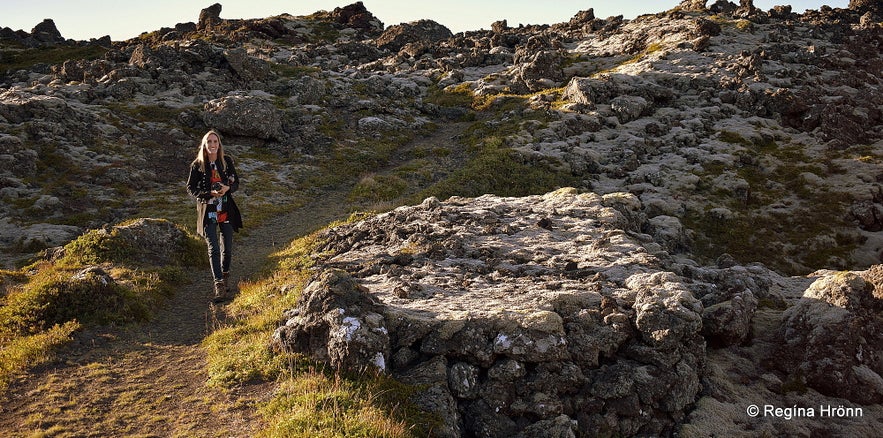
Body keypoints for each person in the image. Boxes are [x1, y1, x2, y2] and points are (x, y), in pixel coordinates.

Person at [186, 129, 243, 303]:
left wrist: (227, 188)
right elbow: (191, 188)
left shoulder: (226, 161)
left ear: (219, 144)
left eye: (215, 141)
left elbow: (236, 182)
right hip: (208, 209)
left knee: (227, 248)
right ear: (204, 144)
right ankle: (218, 285)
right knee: (214, 248)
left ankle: (225, 277)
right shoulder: (197, 165)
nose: (212, 145)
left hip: (225, 208)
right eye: (209, 142)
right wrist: (207, 194)